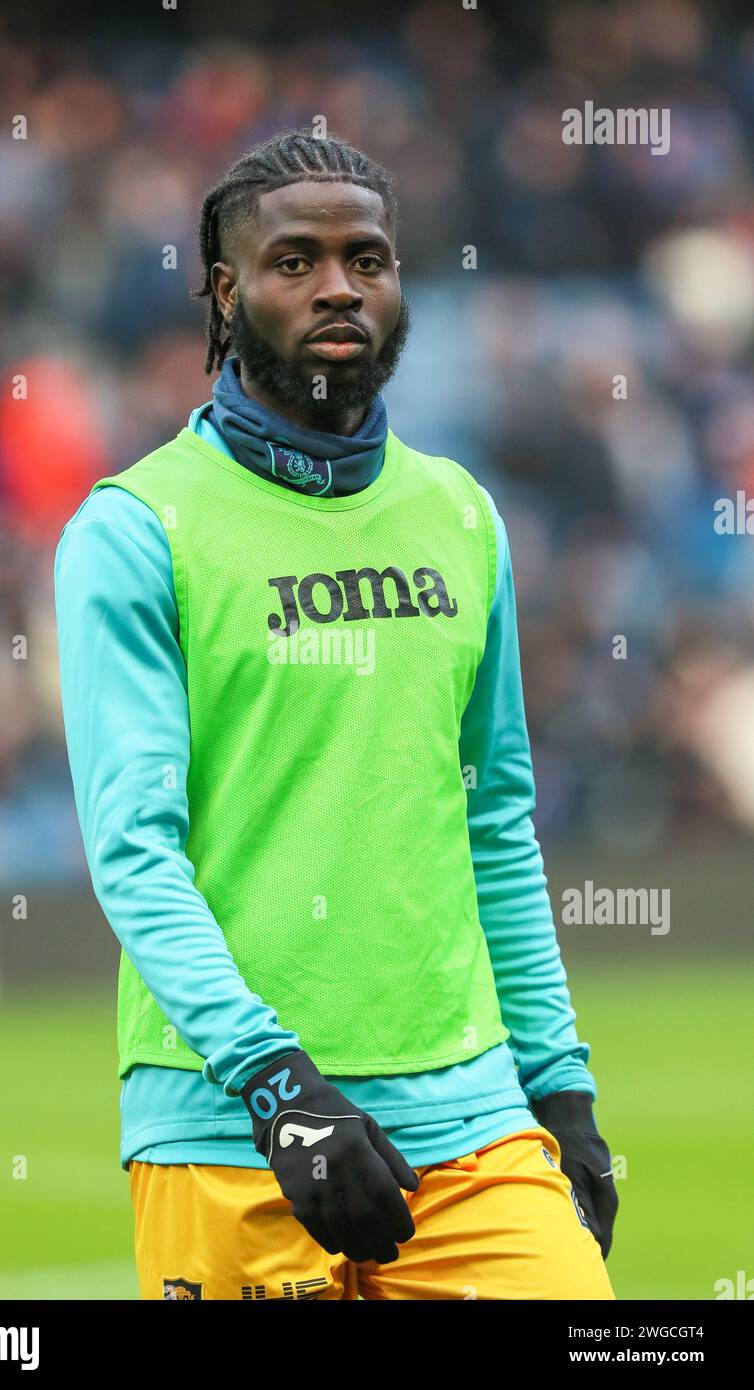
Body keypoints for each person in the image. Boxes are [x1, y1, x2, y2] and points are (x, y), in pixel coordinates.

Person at [54, 128, 617, 1301]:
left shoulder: (460, 517)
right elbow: (133, 852)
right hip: (225, 1126)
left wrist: (558, 1083)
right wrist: (274, 1083)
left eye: (366, 258)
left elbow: (495, 823)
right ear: (224, 289)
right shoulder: (132, 529)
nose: (337, 286)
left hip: (471, 1118)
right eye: (293, 260)